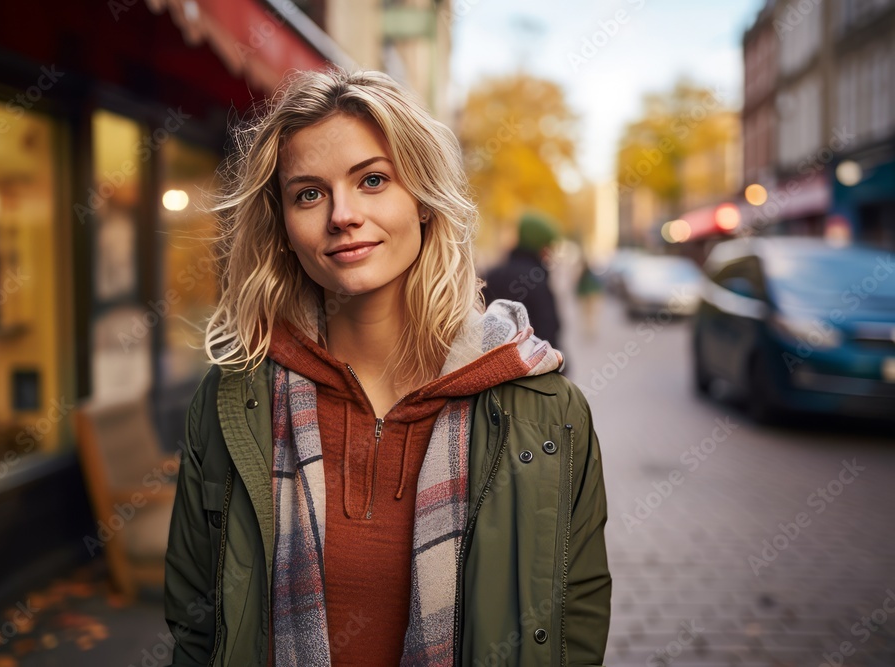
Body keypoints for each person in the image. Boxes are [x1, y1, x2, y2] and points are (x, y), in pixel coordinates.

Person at [164, 68, 611, 667]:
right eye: (308, 193)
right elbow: (198, 628)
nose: (342, 215)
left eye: (372, 180)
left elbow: (569, 628)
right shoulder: (233, 399)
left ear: (424, 201)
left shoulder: (549, 414)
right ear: (284, 230)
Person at [481, 212, 564, 353]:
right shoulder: (538, 280)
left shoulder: (493, 275)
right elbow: (549, 329)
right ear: (538, 245)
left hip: (488, 364)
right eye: (548, 247)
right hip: (529, 366)